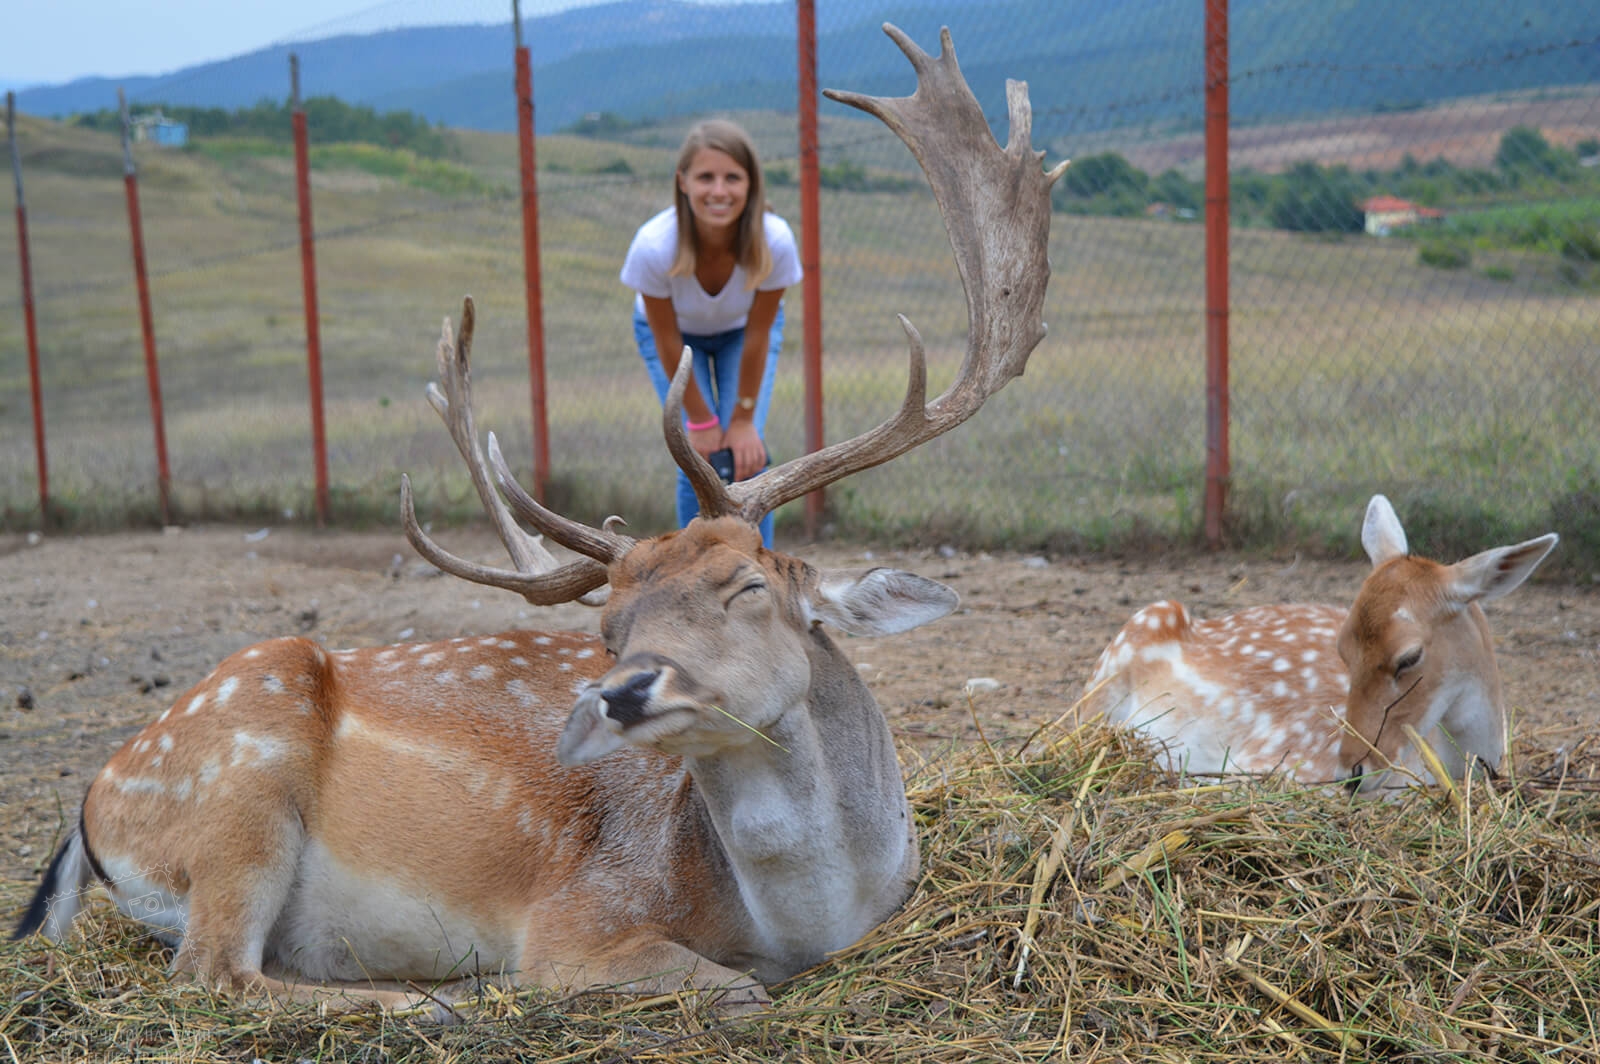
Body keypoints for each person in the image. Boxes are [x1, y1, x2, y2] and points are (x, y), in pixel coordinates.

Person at [620, 118, 803, 547]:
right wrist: (701, 421)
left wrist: (741, 420)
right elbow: (666, 339)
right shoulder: (653, 246)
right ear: (682, 182)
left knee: (747, 456)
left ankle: (761, 575)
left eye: (732, 178)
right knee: (699, 460)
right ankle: (699, 578)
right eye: (706, 177)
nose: (719, 191)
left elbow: (759, 335)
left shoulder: (775, 241)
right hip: (671, 338)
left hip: (743, 334)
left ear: (752, 183)